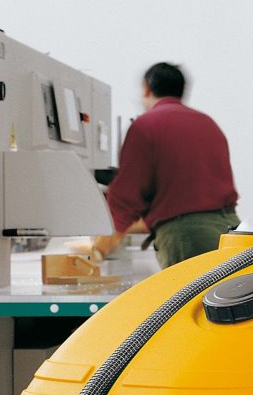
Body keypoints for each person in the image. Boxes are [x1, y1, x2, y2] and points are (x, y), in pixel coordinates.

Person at [94, 62, 239, 268]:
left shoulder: (145, 125)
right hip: (229, 230)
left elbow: (126, 197)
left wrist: (98, 249)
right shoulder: (207, 123)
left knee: (189, 300)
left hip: (187, 238)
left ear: (146, 87)